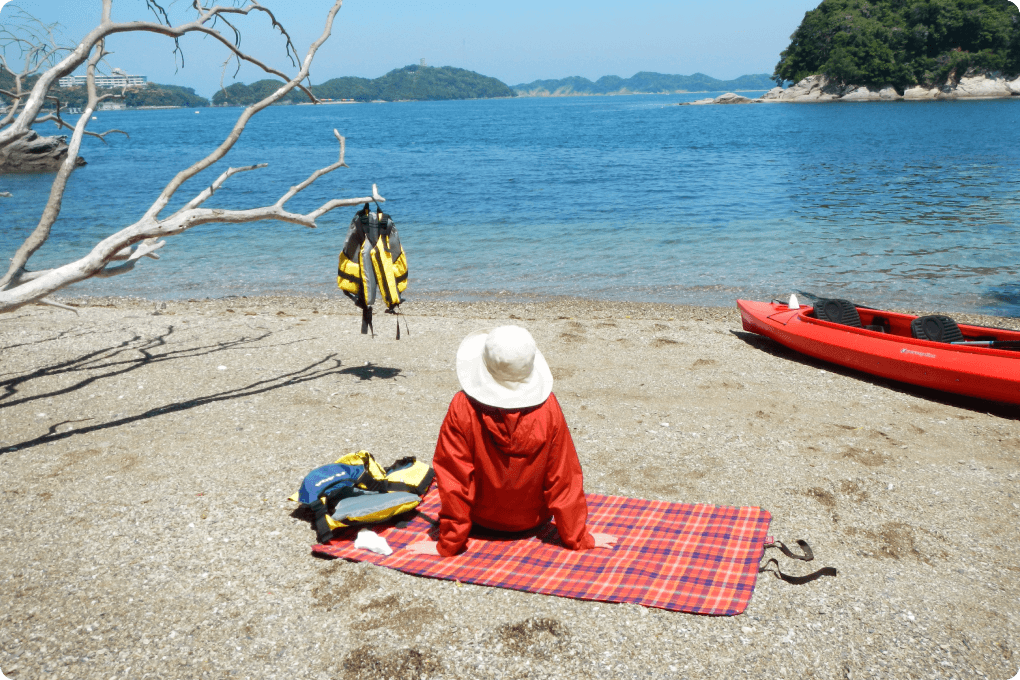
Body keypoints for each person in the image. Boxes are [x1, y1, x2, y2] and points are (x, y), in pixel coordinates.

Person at [406, 325, 616, 557]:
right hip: (533, 522)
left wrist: (448, 544)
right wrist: (578, 537)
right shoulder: (548, 407)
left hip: (481, 521)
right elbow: (563, 477)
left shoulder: (463, 406)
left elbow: (455, 479)